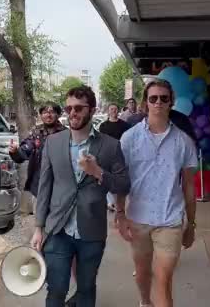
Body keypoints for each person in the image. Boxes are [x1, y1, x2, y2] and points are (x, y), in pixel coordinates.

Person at [31, 85, 131, 307]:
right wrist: (38, 227)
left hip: (92, 230)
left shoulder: (110, 146)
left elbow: (124, 184)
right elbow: (44, 187)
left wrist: (97, 172)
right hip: (57, 229)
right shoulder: (53, 142)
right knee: (56, 289)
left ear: (92, 110)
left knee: (86, 289)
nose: (72, 113)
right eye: (68, 109)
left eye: (78, 108)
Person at [116, 80, 198, 307]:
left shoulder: (184, 141)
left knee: (164, 279)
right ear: (145, 103)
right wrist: (120, 214)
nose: (158, 103)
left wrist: (191, 224)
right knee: (143, 274)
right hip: (138, 218)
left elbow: (189, 187)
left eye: (164, 98)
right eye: (153, 98)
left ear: (171, 102)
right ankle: (145, 302)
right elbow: (121, 180)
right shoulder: (129, 138)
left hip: (170, 221)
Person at [9, 102, 66, 200]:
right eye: (44, 112)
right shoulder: (36, 133)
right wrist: (15, 151)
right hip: (39, 184)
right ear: (41, 115)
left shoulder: (65, 133)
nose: (48, 115)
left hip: (61, 185)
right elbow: (24, 151)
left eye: (52, 112)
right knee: (39, 213)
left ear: (58, 114)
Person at [99, 103, 131, 211]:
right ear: (108, 111)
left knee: (120, 178)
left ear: (118, 111)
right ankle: (111, 202)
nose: (113, 111)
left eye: (115, 109)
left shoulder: (125, 125)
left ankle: (120, 201)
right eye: (111, 109)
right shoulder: (103, 126)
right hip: (107, 154)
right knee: (107, 177)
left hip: (121, 154)